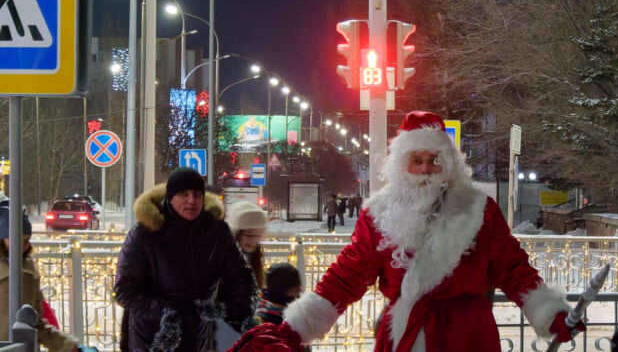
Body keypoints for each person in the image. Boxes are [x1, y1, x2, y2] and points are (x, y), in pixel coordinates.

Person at [238, 111, 584, 351]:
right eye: (416, 161)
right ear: (403, 166)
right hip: (405, 332)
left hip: (468, 335)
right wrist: (295, 327)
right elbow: (348, 274)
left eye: (434, 161)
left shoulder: (478, 208)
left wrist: (548, 312)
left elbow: (513, 268)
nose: (425, 170)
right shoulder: (378, 212)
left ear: (448, 164)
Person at [114, 168, 257, 352]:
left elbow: (241, 275)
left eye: (197, 194)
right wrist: (166, 311)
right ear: (171, 197)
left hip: (199, 337)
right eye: (184, 194)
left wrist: (241, 307)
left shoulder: (216, 232)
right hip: (153, 338)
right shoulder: (145, 233)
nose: (192, 200)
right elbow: (125, 291)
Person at [0, 202, 78, 352]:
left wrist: (67, 346)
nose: (22, 247)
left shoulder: (29, 273)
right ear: (2, 238)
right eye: (15, 241)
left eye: (26, 241)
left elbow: (36, 323)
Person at [228, 201, 269, 288]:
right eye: (249, 234)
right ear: (236, 234)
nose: (253, 240)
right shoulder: (224, 259)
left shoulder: (255, 257)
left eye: (258, 235)